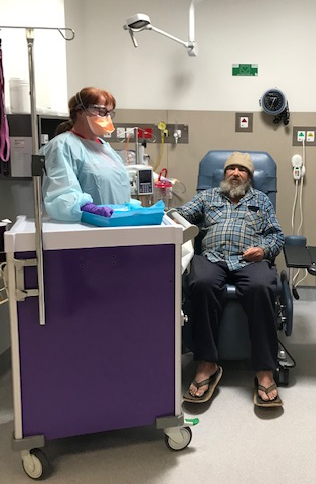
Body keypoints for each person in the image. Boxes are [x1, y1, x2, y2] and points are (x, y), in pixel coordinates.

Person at [177, 151, 285, 407]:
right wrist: (163, 214)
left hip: (251, 260)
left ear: (249, 177)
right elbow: (179, 215)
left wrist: (264, 251)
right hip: (212, 257)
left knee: (261, 287)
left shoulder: (260, 200)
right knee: (200, 284)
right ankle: (207, 364)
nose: (236, 173)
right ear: (224, 173)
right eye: (231, 169)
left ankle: (264, 370)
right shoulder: (207, 197)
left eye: (242, 170)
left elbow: (276, 236)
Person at [41, 87, 131, 222]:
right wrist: (90, 209)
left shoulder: (105, 148)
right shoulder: (62, 146)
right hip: (84, 228)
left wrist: (128, 207)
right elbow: (60, 196)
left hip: (115, 223)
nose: (106, 117)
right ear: (80, 112)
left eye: (109, 113)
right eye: (101, 111)